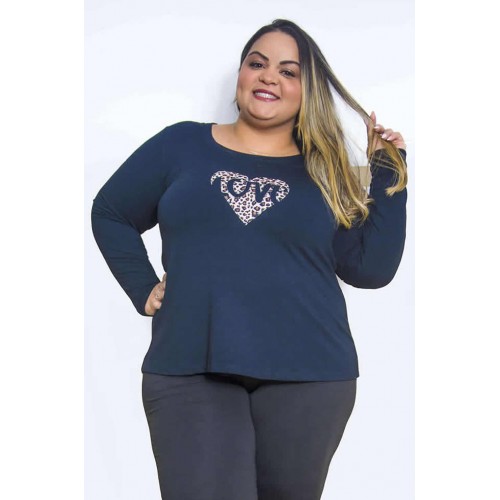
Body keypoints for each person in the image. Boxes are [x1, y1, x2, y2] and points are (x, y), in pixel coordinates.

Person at [91, 18, 408, 500]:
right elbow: (111, 211)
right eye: (257, 64)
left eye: (288, 71)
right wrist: (142, 286)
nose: (268, 77)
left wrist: (388, 167)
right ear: (240, 75)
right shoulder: (181, 145)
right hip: (189, 367)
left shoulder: (326, 171)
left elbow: (370, 269)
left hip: (310, 375)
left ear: (308, 90)